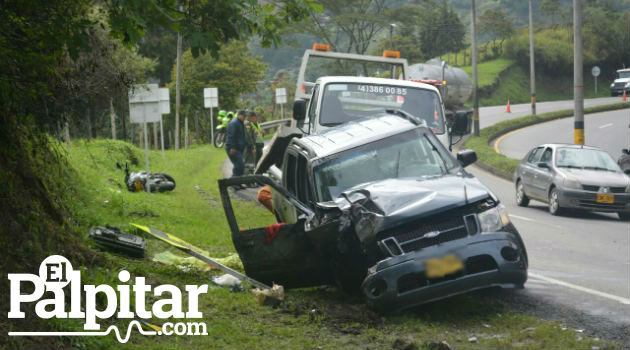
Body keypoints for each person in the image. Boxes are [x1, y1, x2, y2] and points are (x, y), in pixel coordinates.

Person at [225, 110, 247, 177]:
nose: (245, 118)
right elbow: (231, 136)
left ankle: (237, 182)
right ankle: (233, 182)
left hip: (238, 148)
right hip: (233, 148)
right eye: (244, 116)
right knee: (239, 165)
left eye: (245, 116)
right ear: (239, 115)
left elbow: (241, 136)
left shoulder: (240, 123)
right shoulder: (234, 123)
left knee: (240, 166)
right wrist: (232, 147)